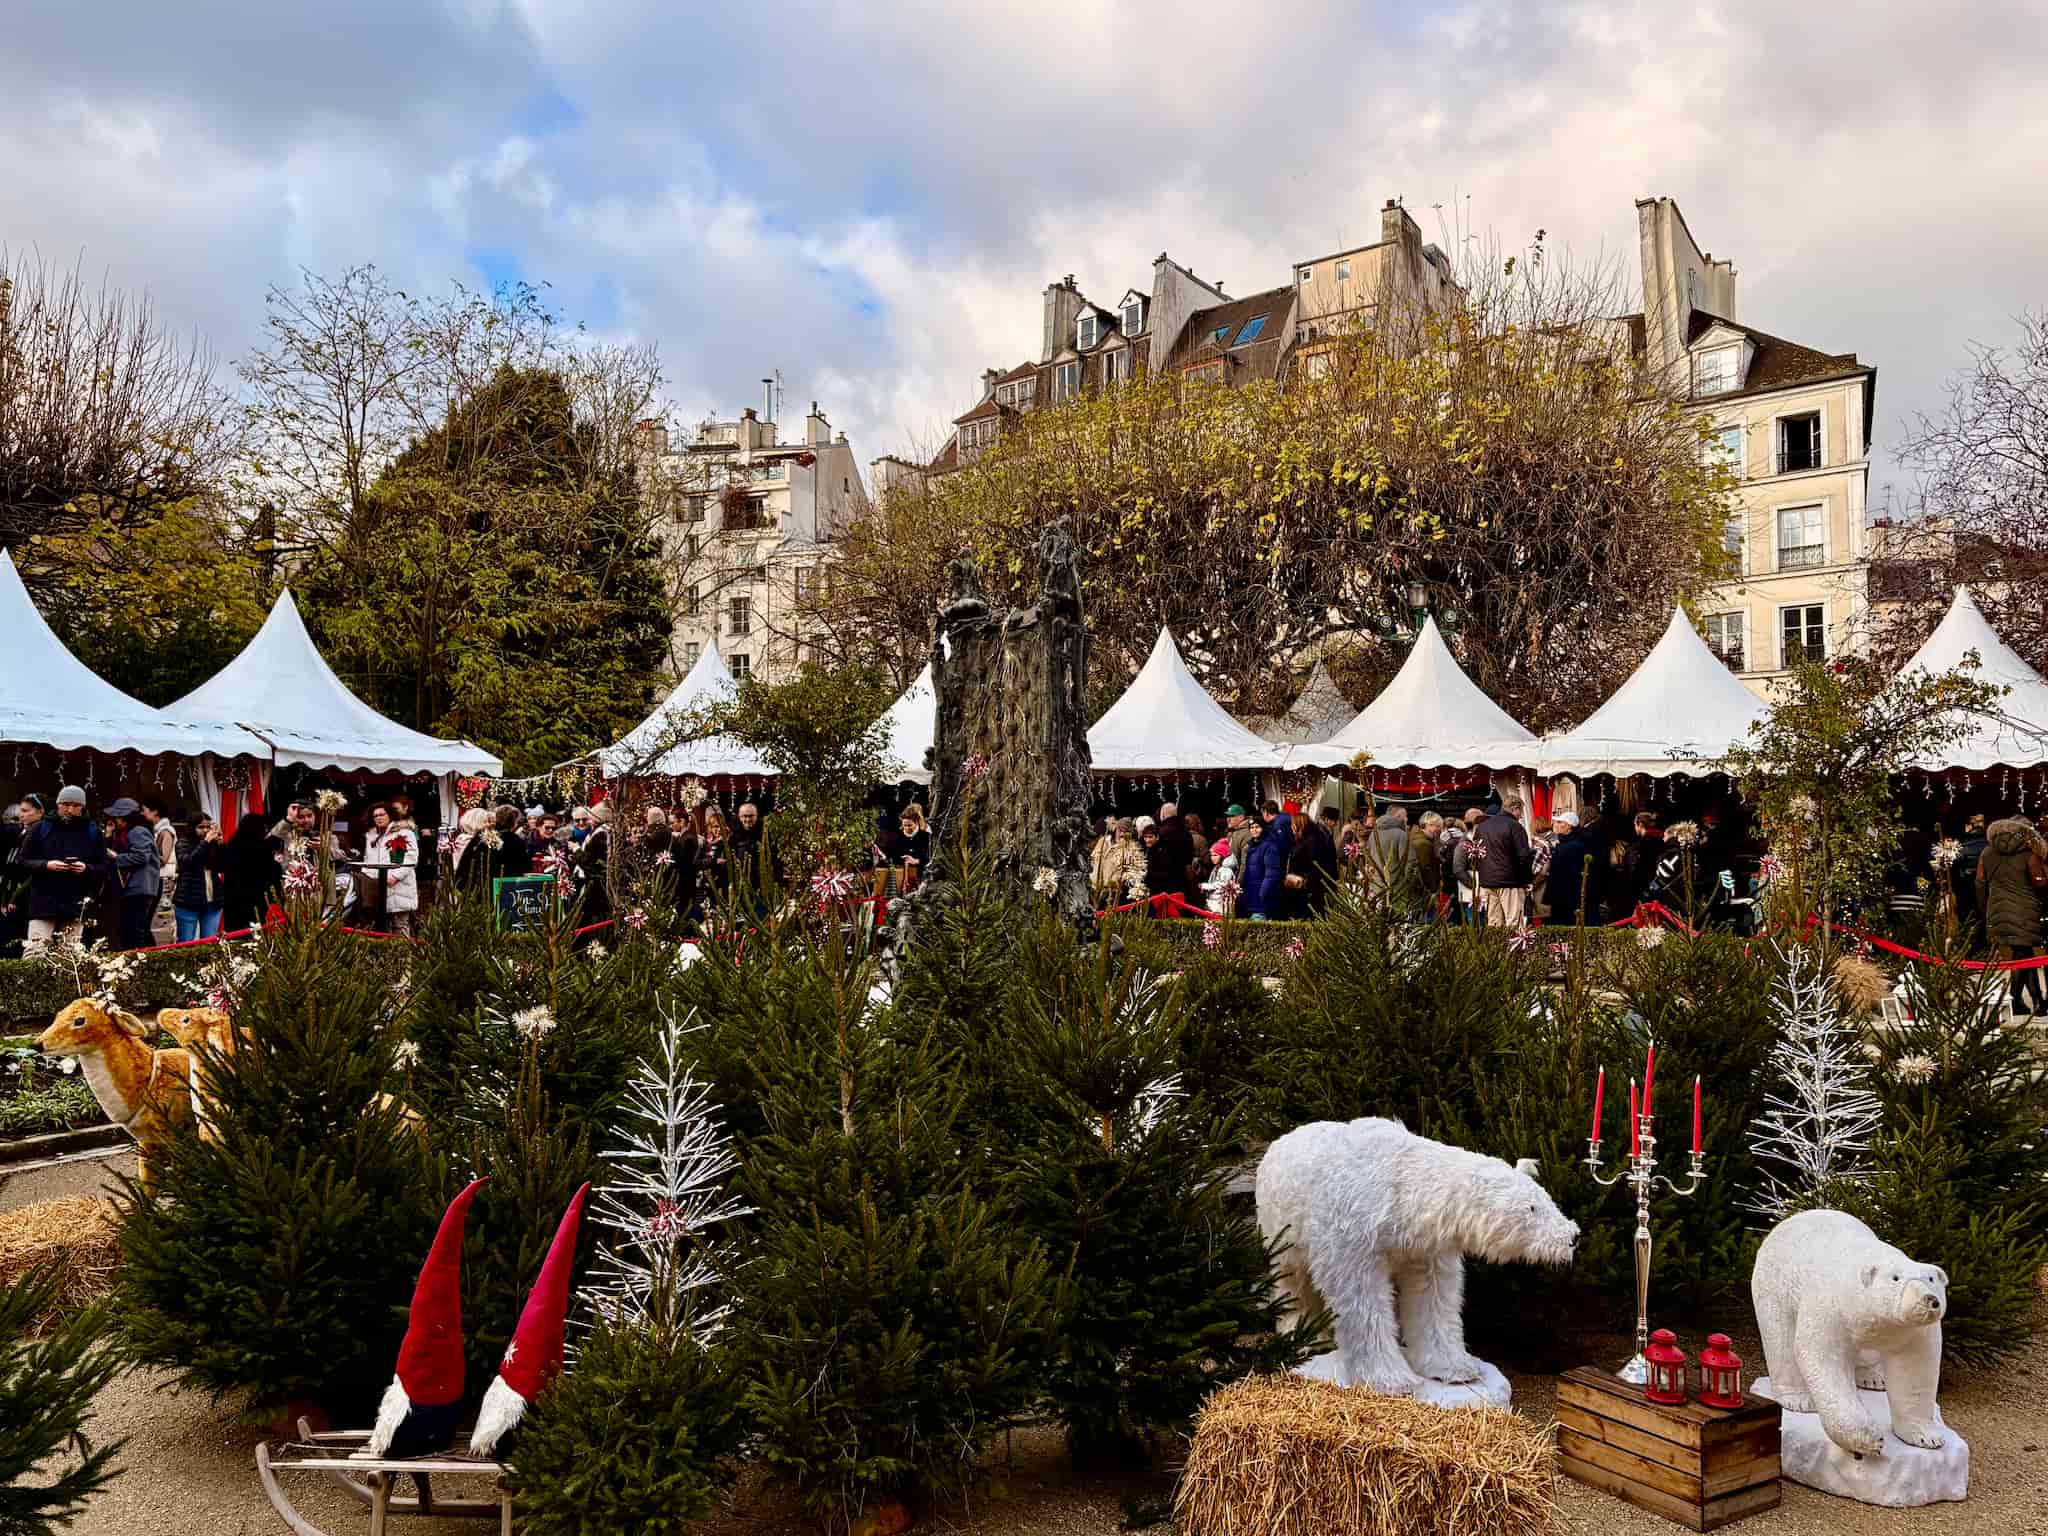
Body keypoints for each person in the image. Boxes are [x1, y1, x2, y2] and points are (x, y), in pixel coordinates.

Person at [1978, 817, 2047, 1017]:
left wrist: (1984, 909)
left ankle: (2031, 1001)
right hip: (2025, 909)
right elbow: (2039, 883)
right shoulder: (2029, 854)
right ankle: (2022, 1000)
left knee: (2022, 954)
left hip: (1996, 908)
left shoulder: (1987, 852)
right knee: (2023, 954)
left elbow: (1980, 882)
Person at [103, 798, 161, 951]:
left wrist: (116, 858)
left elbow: (142, 856)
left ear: (125, 817)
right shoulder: (131, 832)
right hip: (138, 887)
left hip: (139, 887)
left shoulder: (137, 831)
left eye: (117, 817)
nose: (114, 820)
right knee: (137, 928)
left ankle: (141, 961)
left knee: (134, 930)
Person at [1475, 797, 1534, 930]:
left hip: (1487, 882)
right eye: (1521, 811)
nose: (1521, 815)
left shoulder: (1482, 827)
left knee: (1494, 923)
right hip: (1511, 882)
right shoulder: (1515, 826)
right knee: (1514, 922)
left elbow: (1476, 854)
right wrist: (1527, 881)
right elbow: (1524, 856)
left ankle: (1494, 950)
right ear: (1515, 809)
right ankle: (1514, 951)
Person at [363, 803, 421, 936]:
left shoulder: (404, 833)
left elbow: (411, 858)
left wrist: (395, 876)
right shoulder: (371, 837)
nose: (378, 818)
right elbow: (368, 861)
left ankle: (404, 956)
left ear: (390, 815)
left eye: (382, 814)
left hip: (399, 886)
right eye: (375, 816)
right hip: (378, 888)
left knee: (400, 926)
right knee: (382, 927)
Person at [219, 815, 282, 931]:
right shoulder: (263, 849)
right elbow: (273, 874)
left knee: (236, 936)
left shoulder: (232, 847)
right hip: (257, 902)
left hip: (233, 902)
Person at [171, 815, 227, 942]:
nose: (205, 830)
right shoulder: (182, 843)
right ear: (192, 828)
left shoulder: (212, 844)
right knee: (186, 942)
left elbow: (222, 866)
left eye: (208, 827)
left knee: (209, 942)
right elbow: (189, 862)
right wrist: (206, 842)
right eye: (201, 827)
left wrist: (221, 845)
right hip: (188, 900)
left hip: (213, 901)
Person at [1544, 811, 1601, 928]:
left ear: (1568, 826)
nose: (1555, 824)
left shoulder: (1573, 846)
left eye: (1560, 822)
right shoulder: (1566, 844)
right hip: (1564, 897)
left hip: (1567, 899)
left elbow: (1570, 874)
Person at [1240, 800, 1295, 920]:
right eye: (1252, 827)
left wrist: (1263, 893)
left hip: (1262, 898)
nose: (1254, 830)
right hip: (1254, 896)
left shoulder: (1270, 844)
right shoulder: (1252, 846)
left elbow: (1271, 873)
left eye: (1257, 827)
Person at [1285, 802, 1339, 916]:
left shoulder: (1312, 841)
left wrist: (1302, 880)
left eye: (1293, 824)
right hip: (1305, 889)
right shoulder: (1307, 839)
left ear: (1300, 825)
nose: (1291, 827)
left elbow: (1317, 866)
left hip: (1309, 891)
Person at [1360, 805, 1414, 903]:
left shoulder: (1374, 834)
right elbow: (1410, 863)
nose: (1406, 819)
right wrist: (1408, 884)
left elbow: (1369, 860)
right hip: (1397, 891)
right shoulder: (1401, 835)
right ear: (1397, 816)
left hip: (1377, 889)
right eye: (1405, 816)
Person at [571, 802, 613, 924]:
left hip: (593, 885)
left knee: (583, 918)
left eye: (589, 817)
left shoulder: (600, 835)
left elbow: (590, 863)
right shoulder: (607, 832)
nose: (587, 821)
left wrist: (576, 850)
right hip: (598, 883)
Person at [1951, 812, 1989, 939]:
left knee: (1967, 922)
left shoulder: (1960, 848)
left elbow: (1953, 872)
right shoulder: (1991, 846)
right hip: (1987, 890)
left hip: (1966, 891)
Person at [1091, 817, 1144, 896]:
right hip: (1094, 887)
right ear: (1115, 829)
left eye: (1125, 832)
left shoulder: (1130, 848)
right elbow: (1093, 859)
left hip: (1113, 892)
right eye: (1120, 830)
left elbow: (1132, 872)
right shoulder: (1103, 841)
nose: (1122, 834)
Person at [1410, 812, 1445, 908]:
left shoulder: (1424, 840)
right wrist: (1433, 889)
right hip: (1426, 890)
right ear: (1427, 825)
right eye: (1437, 826)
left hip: (1422, 889)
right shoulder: (1423, 843)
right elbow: (1426, 868)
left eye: (1440, 826)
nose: (1439, 829)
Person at [898, 803, 932, 873]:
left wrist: (917, 861)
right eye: (905, 825)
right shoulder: (899, 835)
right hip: (902, 872)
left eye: (910, 825)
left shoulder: (924, 835)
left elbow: (929, 855)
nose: (907, 828)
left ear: (916, 822)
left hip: (921, 873)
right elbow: (894, 854)